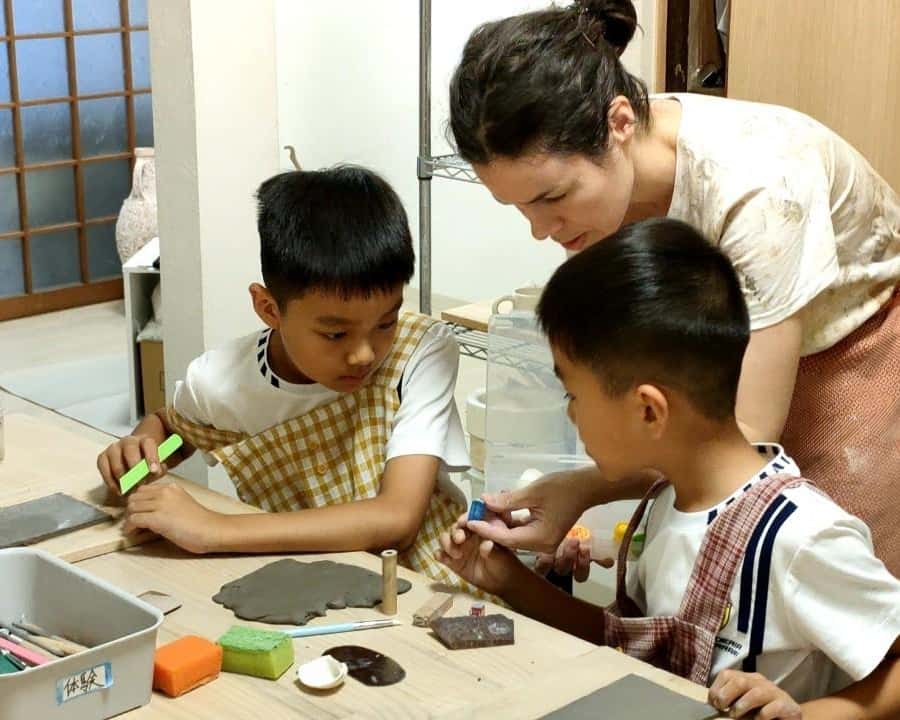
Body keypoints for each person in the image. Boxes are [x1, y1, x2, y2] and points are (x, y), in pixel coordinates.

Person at [448, 0, 900, 578]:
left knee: (814, 570)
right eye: (518, 207)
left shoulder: (759, 187)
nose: (540, 230)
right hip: (734, 359)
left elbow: (740, 451)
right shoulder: (604, 189)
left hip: (857, 348)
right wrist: (582, 493)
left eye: (552, 198)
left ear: (619, 123)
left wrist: (591, 487)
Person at [439, 219, 900, 718]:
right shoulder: (667, 501)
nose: (570, 414)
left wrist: (805, 714)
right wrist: (511, 581)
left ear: (648, 411)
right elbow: (626, 650)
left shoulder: (800, 537)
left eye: (573, 395)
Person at [97, 166, 474, 589]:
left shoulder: (420, 349)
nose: (364, 354)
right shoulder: (221, 380)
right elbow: (176, 434)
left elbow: (396, 520)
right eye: (335, 334)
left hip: (430, 579)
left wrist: (215, 528)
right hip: (309, 584)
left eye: (385, 322)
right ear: (269, 309)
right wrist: (140, 452)